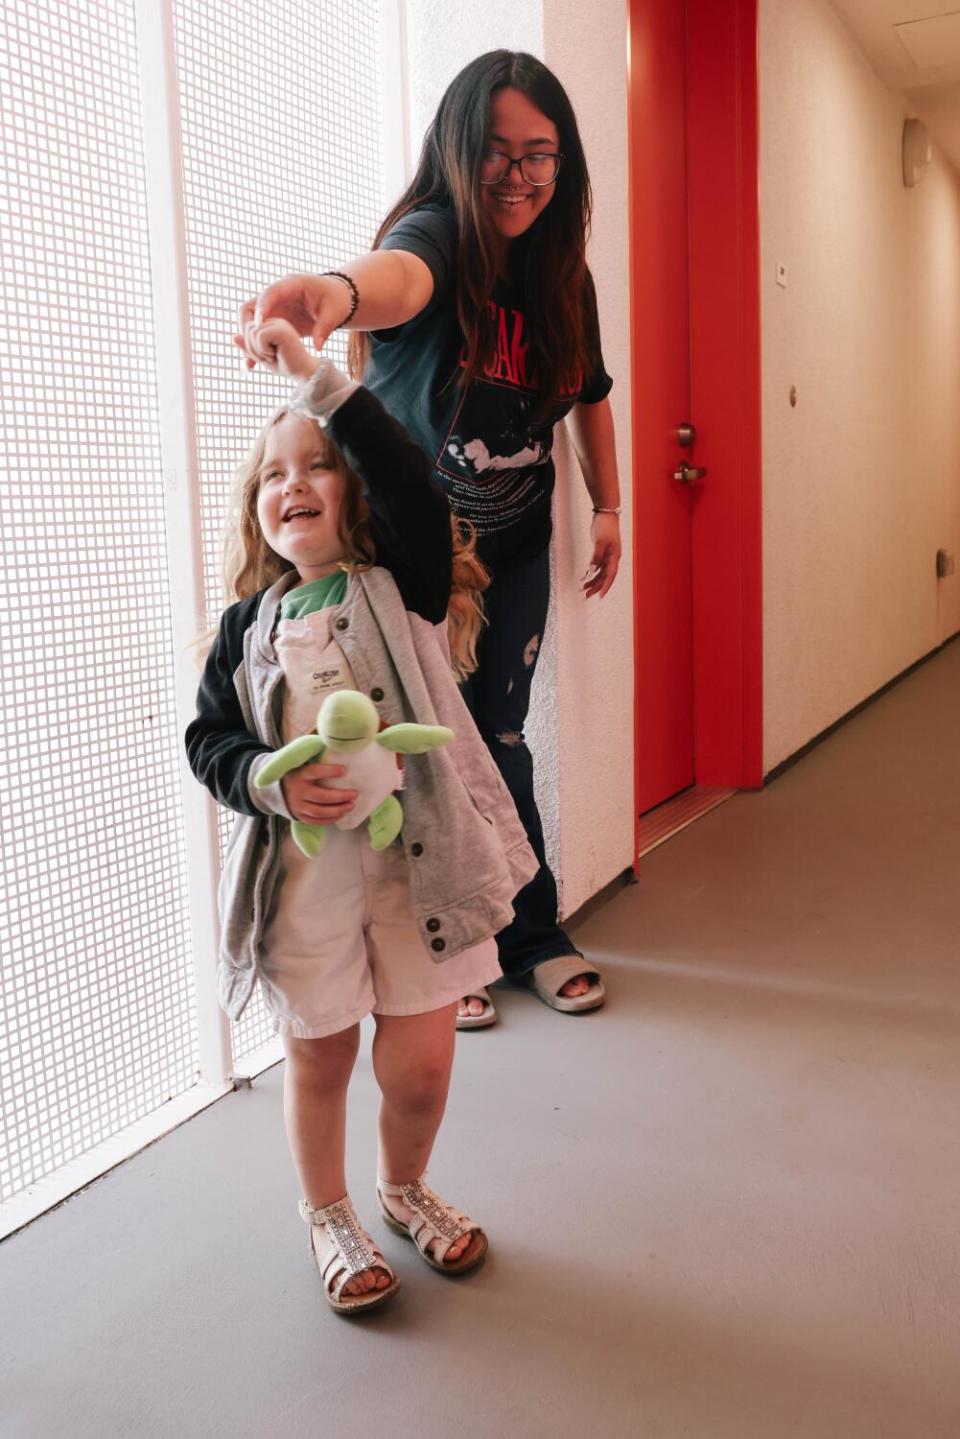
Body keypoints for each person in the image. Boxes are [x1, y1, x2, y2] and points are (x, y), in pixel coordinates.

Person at [235, 51, 623, 1030]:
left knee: (498, 737)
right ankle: (450, 955)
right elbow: (392, 279)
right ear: (458, 152)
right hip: (418, 558)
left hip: (516, 545)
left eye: (541, 154)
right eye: (496, 151)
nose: (520, 175)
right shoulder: (441, 237)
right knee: (422, 750)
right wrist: (327, 293)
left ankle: (523, 933)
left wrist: (609, 506)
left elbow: (589, 395)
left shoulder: (563, 276)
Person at [185, 318, 537, 1313]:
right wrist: (267, 778)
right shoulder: (247, 629)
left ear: (355, 495)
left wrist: (318, 383)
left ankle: (402, 1183)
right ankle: (327, 1210)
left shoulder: (400, 585)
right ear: (255, 515)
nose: (291, 481)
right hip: (305, 885)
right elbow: (209, 739)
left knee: (420, 1063)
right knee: (320, 1051)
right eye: (271, 475)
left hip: (414, 874)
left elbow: (416, 489)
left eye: (316, 465)